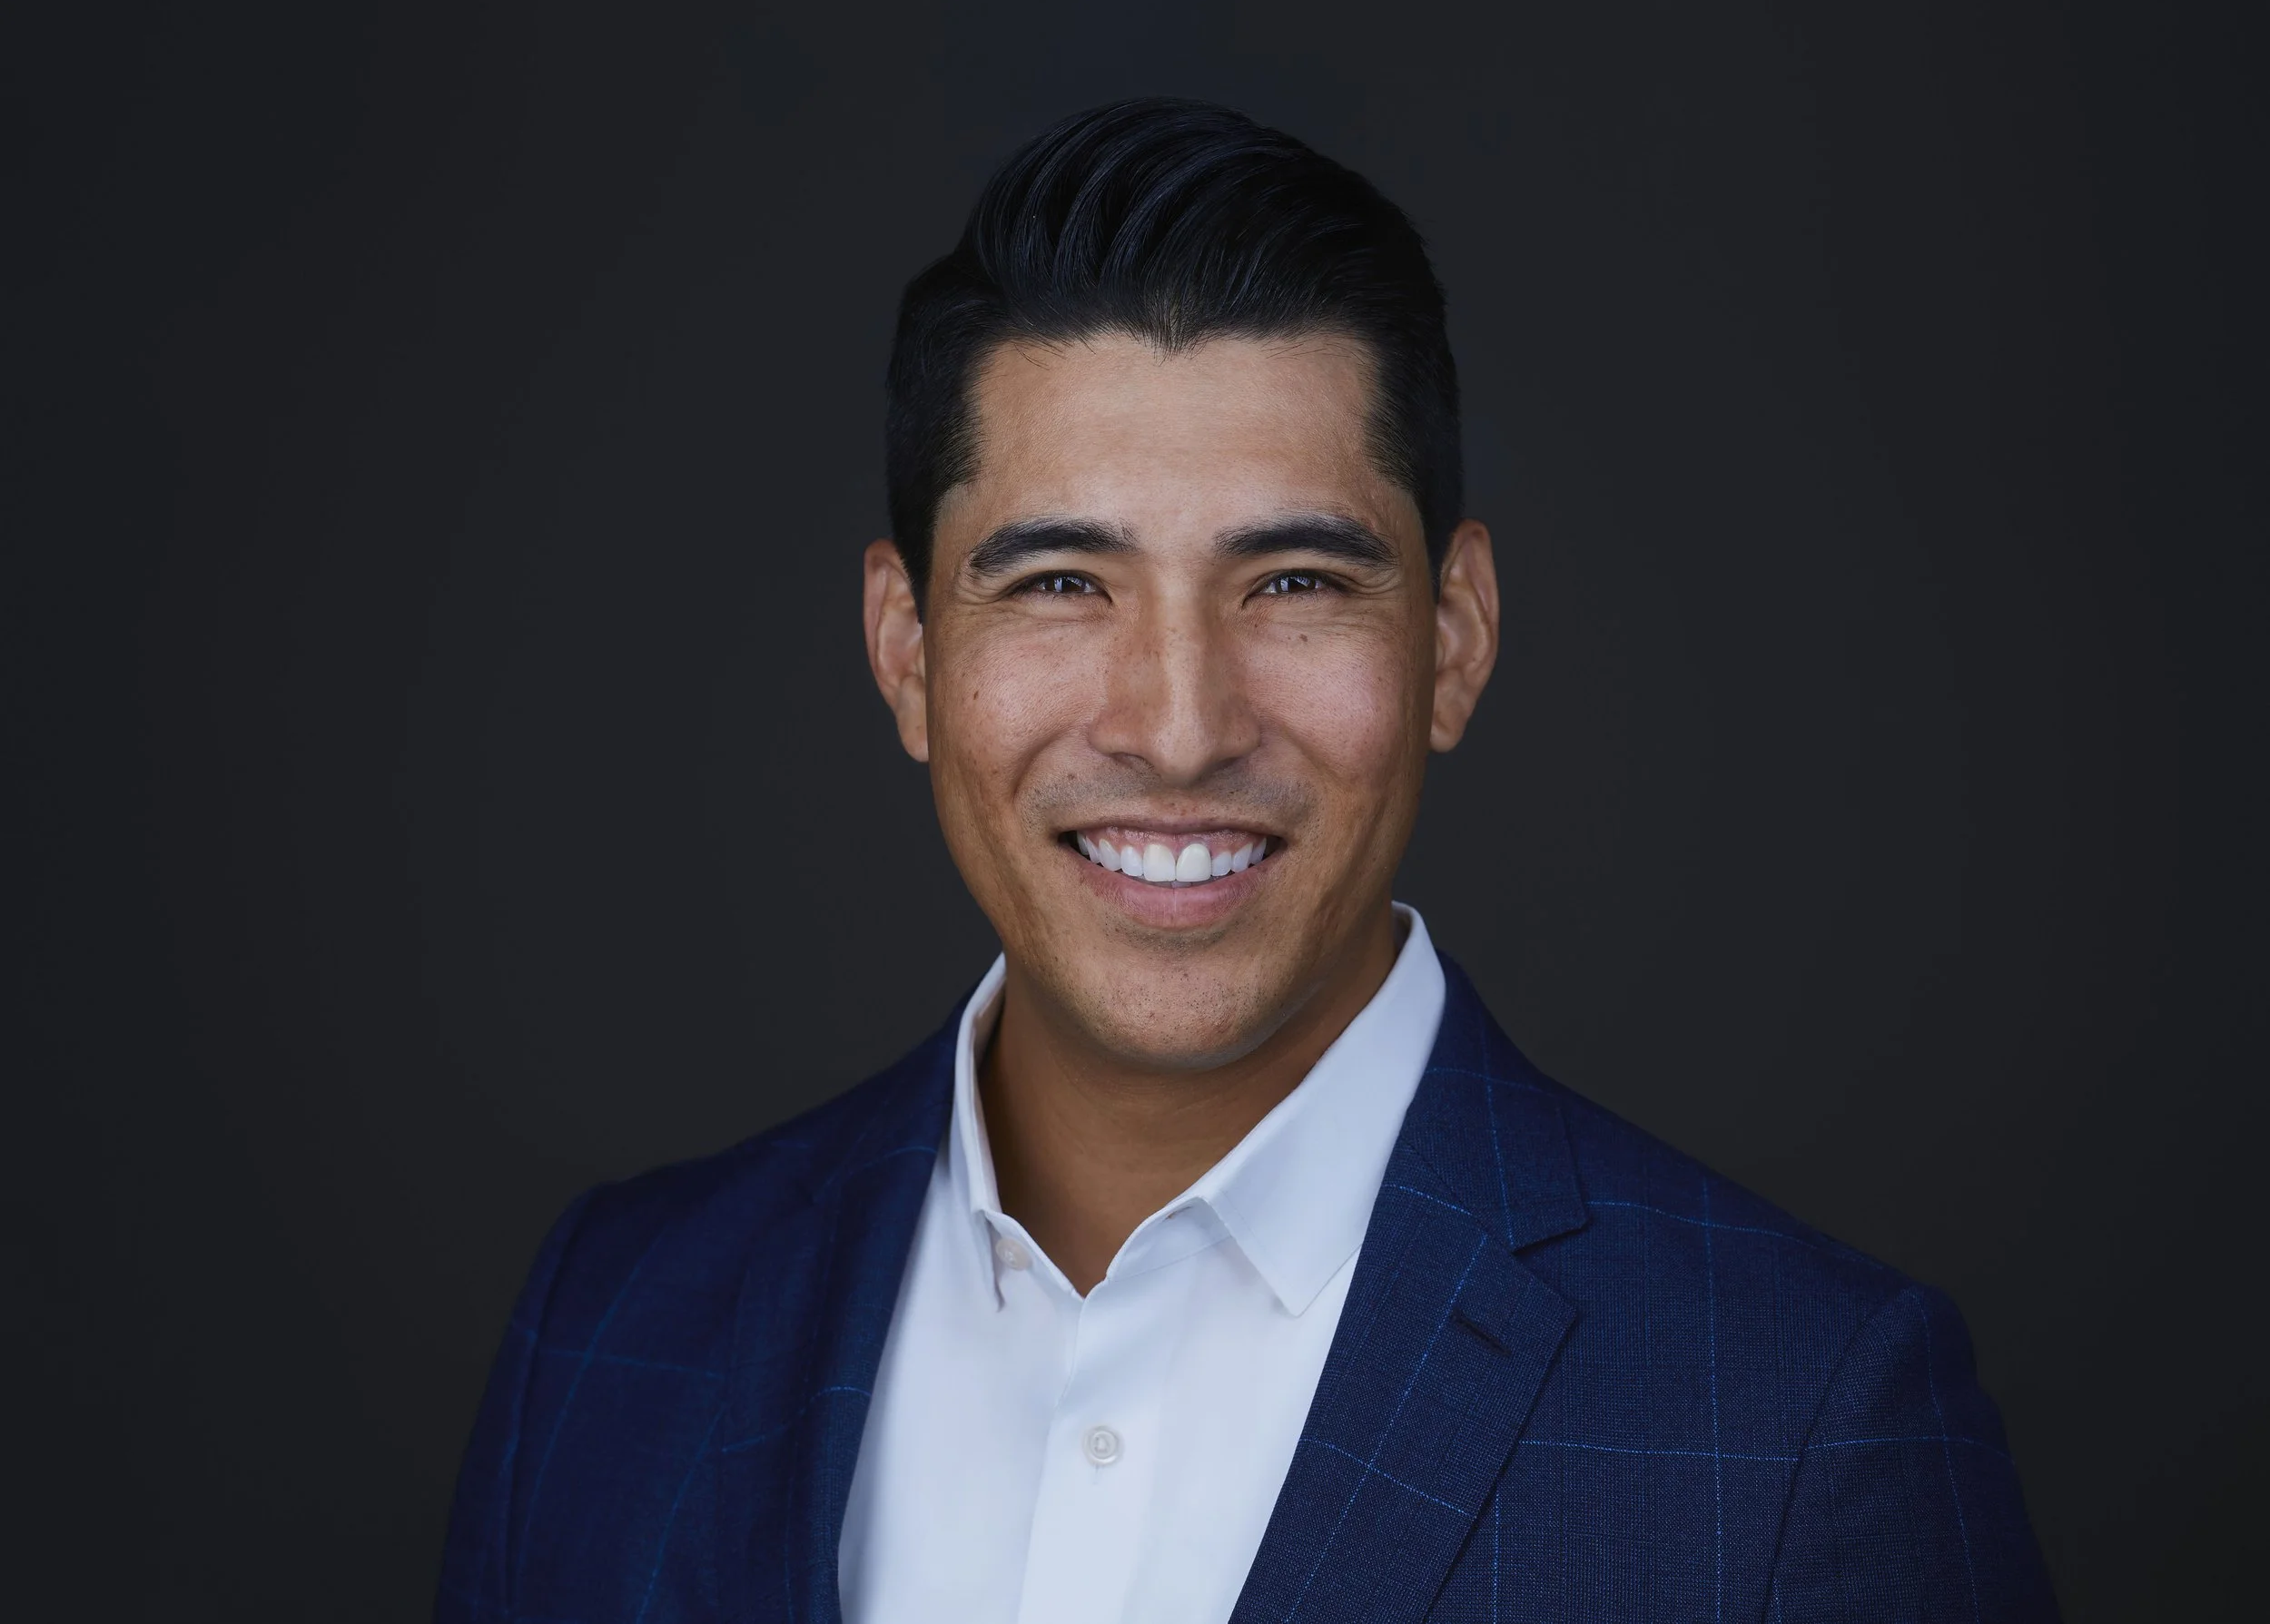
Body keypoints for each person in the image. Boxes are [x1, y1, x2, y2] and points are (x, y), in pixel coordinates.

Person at [437, 98, 2056, 1623]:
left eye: (1292, 583)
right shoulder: (614, 1321)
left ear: (1457, 636)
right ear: (908, 651)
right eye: (1063, 581)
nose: (1181, 723)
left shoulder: (1802, 1425)